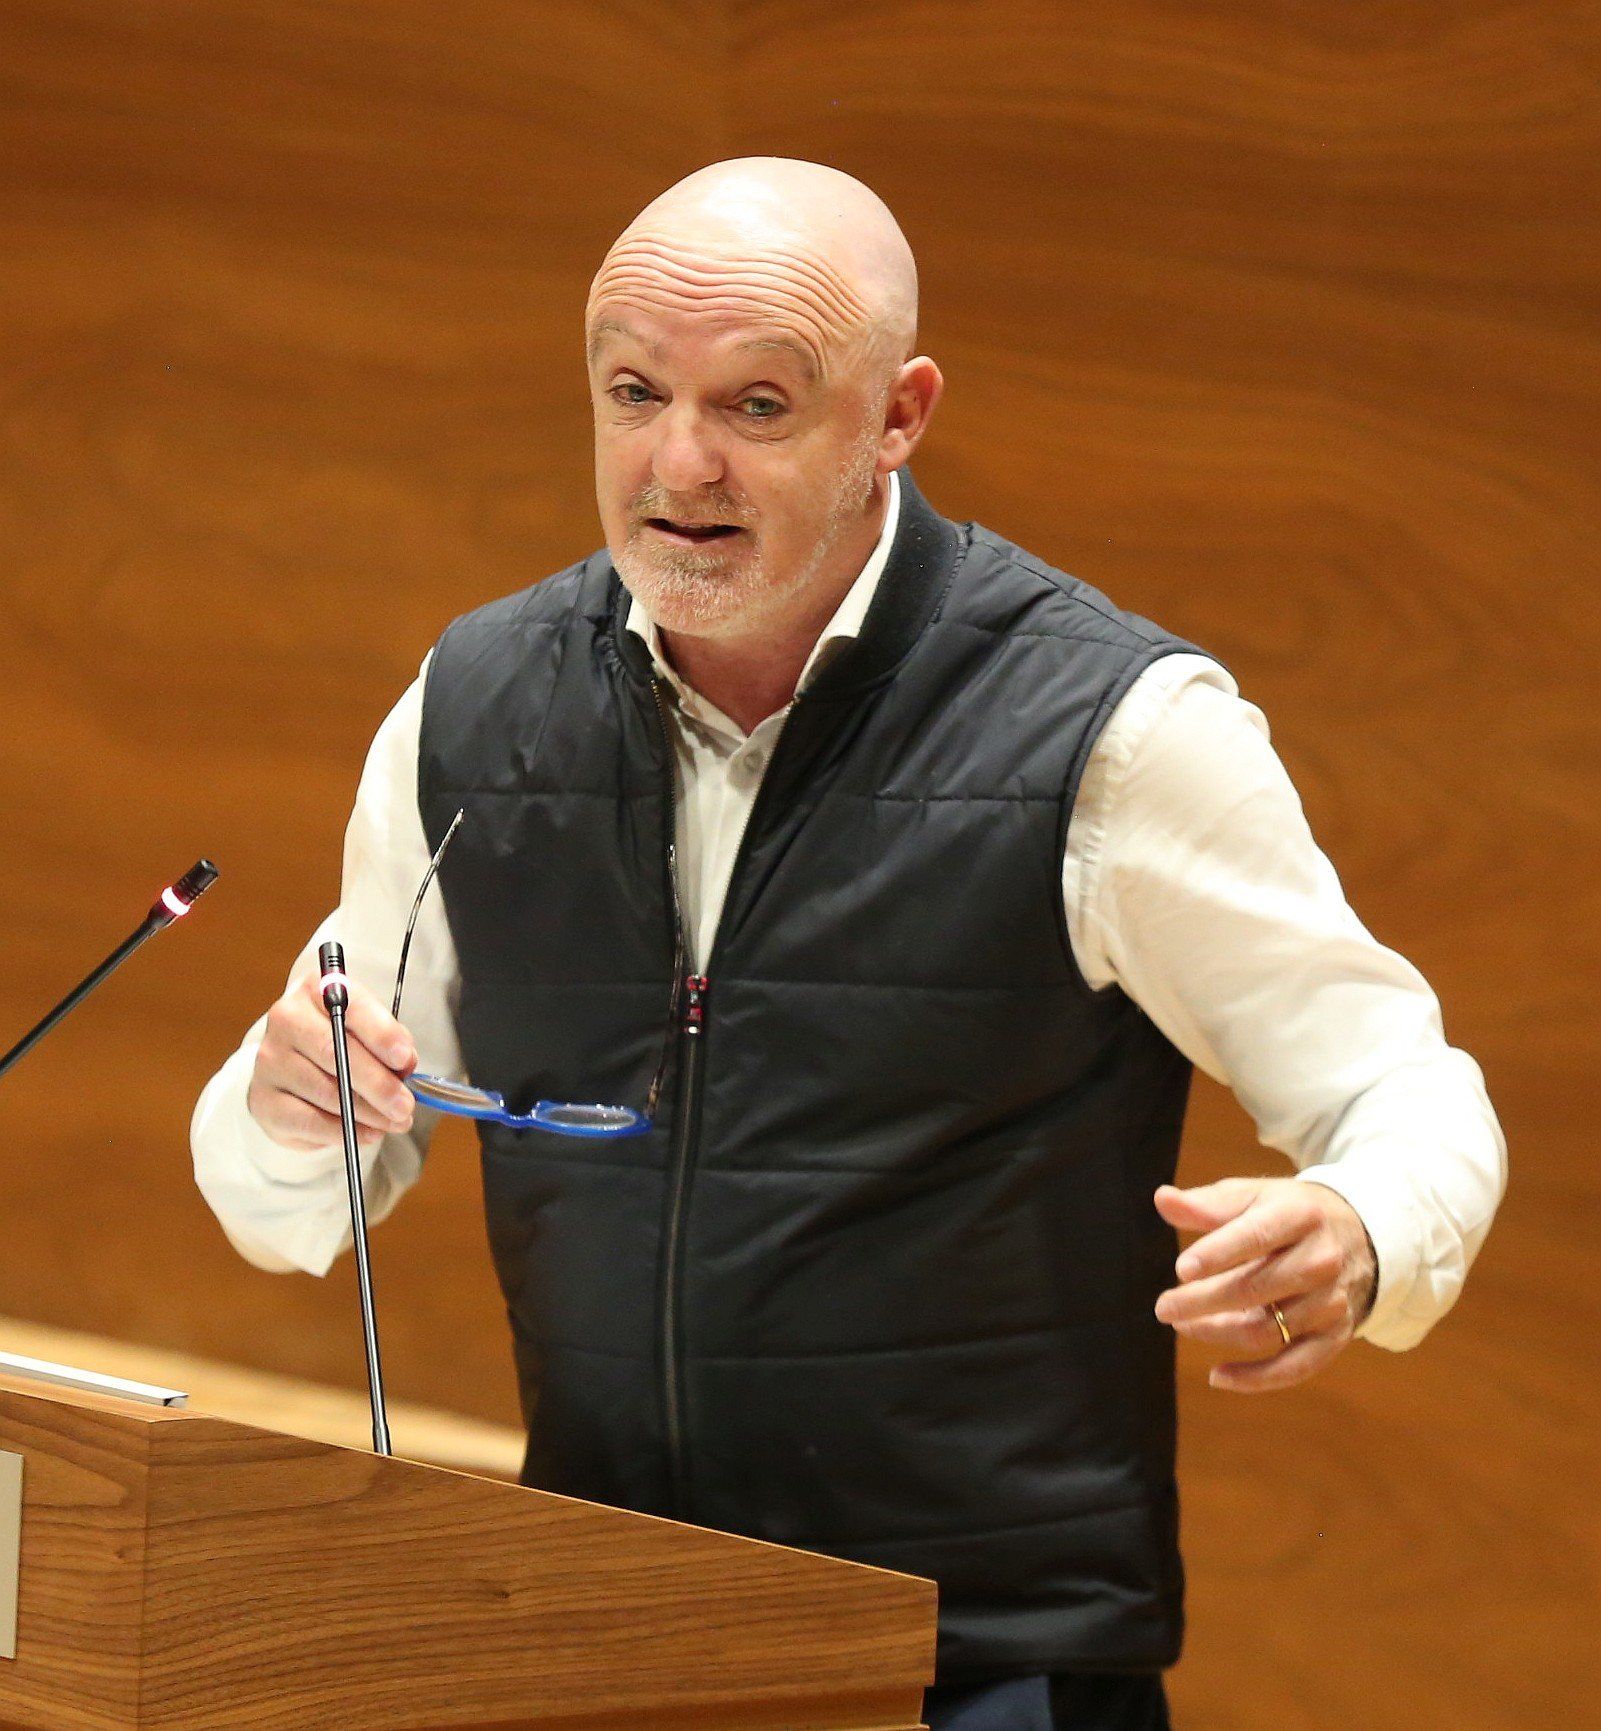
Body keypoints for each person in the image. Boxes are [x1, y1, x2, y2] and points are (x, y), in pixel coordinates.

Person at [191, 158, 1506, 1731]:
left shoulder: (1111, 731)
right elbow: (296, 1196)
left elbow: (1404, 1091)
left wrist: (1359, 1227)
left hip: (980, 1672)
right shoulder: (472, 712)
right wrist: (288, 1114)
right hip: (604, 1640)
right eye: (633, 392)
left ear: (896, 416)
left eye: (758, 405)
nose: (678, 464)